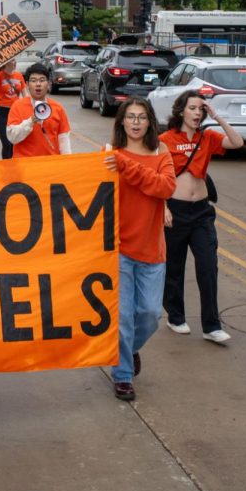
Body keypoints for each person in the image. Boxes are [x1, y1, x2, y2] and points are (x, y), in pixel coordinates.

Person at [102, 98, 176, 400]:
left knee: (149, 315)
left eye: (141, 117)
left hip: (151, 250)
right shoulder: (109, 156)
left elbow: (165, 188)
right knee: (123, 318)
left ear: (149, 122)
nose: (135, 122)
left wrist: (127, 166)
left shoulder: (161, 153)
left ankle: (129, 350)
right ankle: (122, 375)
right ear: (121, 122)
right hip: (117, 249)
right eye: (130, 117)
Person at [158, 90, 243, 344]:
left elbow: (237, 142)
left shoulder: (208, 138)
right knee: (174, 267)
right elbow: (157, 175)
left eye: (201, 110)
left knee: (208, 267)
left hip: (202, 213)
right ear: (181, 110)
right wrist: (163, 207)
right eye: (193, 108)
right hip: (176, 210)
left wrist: (218, 117)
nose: (197, 113)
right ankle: (175, 316)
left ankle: (211, 325)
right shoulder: (165, 139)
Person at [5, 63, 72, 157]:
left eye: (42, 80)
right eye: (33, 80)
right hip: (25, 165)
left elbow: (64, 140)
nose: (38, 84)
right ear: (27, 84)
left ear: (48, 84)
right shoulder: (17, 106)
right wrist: (30, 121)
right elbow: (12, 137)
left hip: (50, 164)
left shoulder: (58, 108)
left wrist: (67, 162)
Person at [0, 59, 25, 159]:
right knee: (6, 143)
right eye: (11, 60)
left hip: (15, 112)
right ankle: (6, 166)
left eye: (15, 60)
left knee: (14, 143)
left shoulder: (19, 76)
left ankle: (12, 168)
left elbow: (25, 93)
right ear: (5, 62)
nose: (14, 62)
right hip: (1, 113)